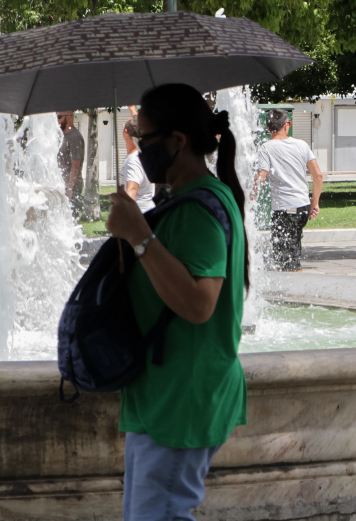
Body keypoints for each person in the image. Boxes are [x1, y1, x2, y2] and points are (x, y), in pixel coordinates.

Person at [105, 84, 248, 520]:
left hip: (181, 399)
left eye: (144, 137)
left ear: (177, 141)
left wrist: (140, 236)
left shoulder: (199, 209)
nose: (138, 146)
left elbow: (200, 304)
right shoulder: (188, 202)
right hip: (165, 396)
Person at [255, 109, 323, 272]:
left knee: (286, 262)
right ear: (287, 125)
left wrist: (249, 199)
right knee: (291, 254)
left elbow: (260, 177)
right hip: (301, 207)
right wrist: (314, 203)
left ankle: (296, 293)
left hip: (284, 210)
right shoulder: (302, 145)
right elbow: (318, 176)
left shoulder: (266, 148)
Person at [120, 107, 155, 213]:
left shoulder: (133, 160)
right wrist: (132, 108)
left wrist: (125, 218)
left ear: (125, 132)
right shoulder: (143, 154)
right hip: (147, 214)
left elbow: (132, 190)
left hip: (140, 216)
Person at [57, 111, 84, 216]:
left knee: (72, 219)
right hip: (63, 184)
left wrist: (70, 189)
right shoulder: (63, 135)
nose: (57, 120)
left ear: (68, 117)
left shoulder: (75, 137)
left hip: (72, 186)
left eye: (59, 117)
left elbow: (75, 165)